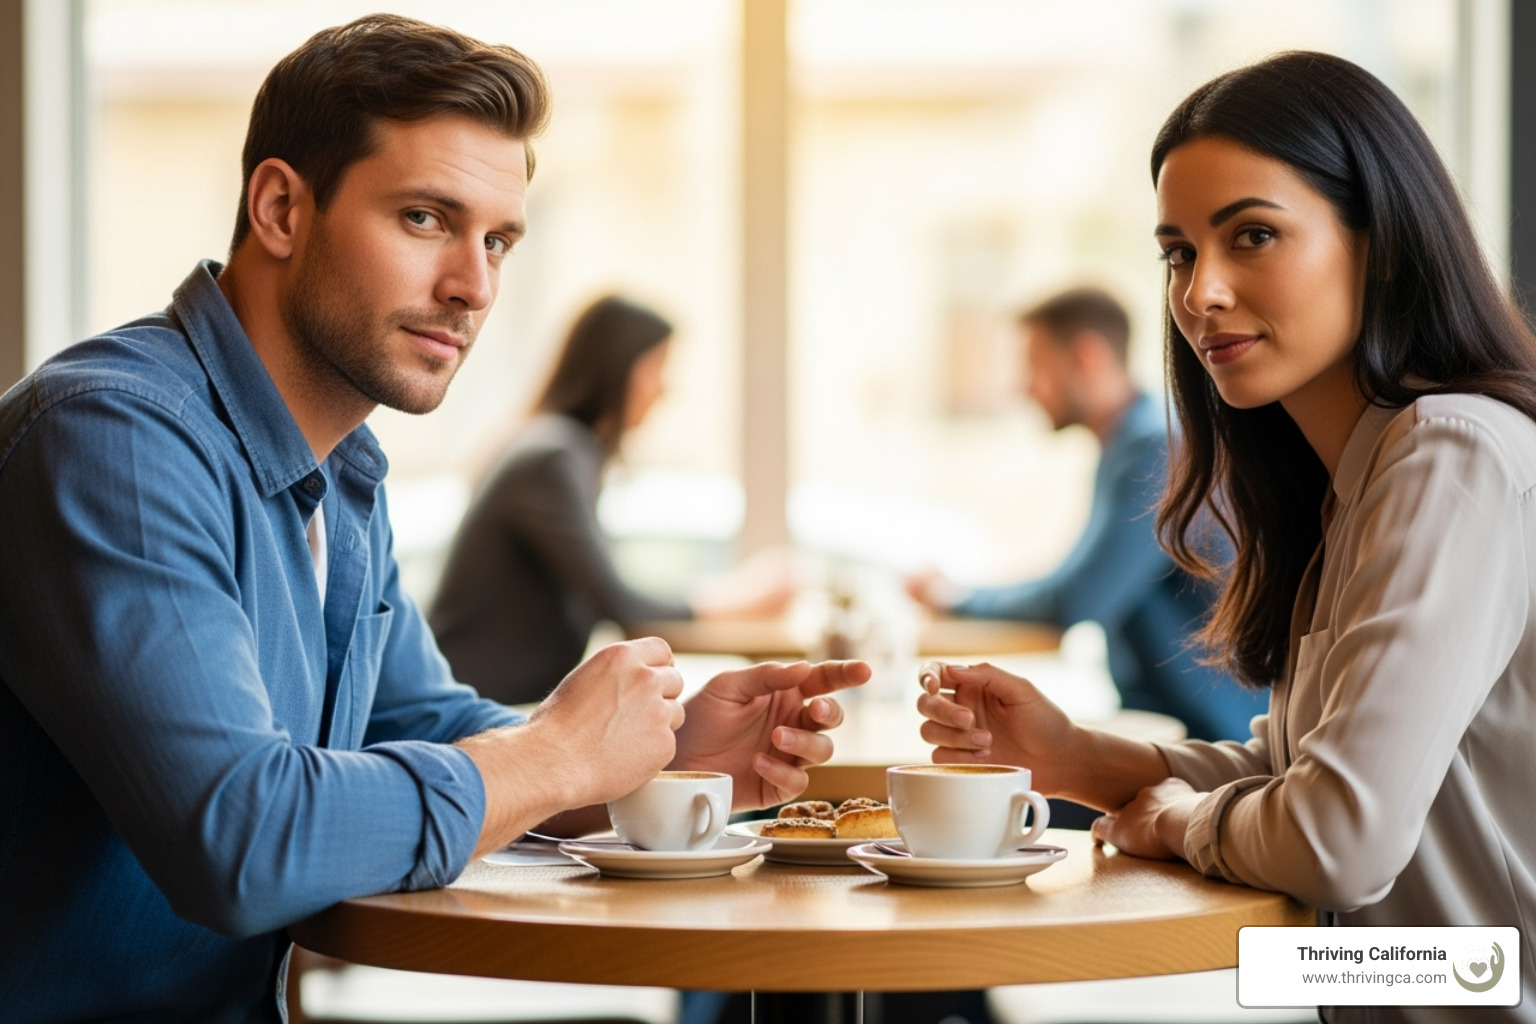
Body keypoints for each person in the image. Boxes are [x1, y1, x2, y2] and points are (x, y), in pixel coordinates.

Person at [0, 16, 868, 1023]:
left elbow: (427, 726)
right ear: (281, 208)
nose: (474, 287)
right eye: (424, 218)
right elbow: (242, 839)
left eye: (497, 240)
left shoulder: (338, 472)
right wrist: (553, 757)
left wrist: (655, 756)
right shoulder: (115, 441)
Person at [917, 51, 1535, 1023]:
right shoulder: (1355, 483)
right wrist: (1069, 756)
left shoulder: (1452, 455)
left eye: (1253, 235)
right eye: (1178, 253)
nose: (1199, 292)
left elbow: (1338, 841)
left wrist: (1182, 823)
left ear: (1380, 242)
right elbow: (1301, 780)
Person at [907, 287, 1265, 741]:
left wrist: (954, 597)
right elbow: (1080, 581)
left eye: (1033, 365)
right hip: (1171, 724)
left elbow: (1075, 599)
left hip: (1210, 740)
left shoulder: (1157, 450)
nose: (1023, 386)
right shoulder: (1137, 443)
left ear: (1086, 358)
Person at [430, 294, 796, 705]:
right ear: (617, 367)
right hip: (468, 712)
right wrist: (739, 595)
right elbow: (618, 601)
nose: (664, 389)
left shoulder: (559, 449)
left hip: (495, 705)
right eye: (656, 367)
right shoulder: (551, 459)